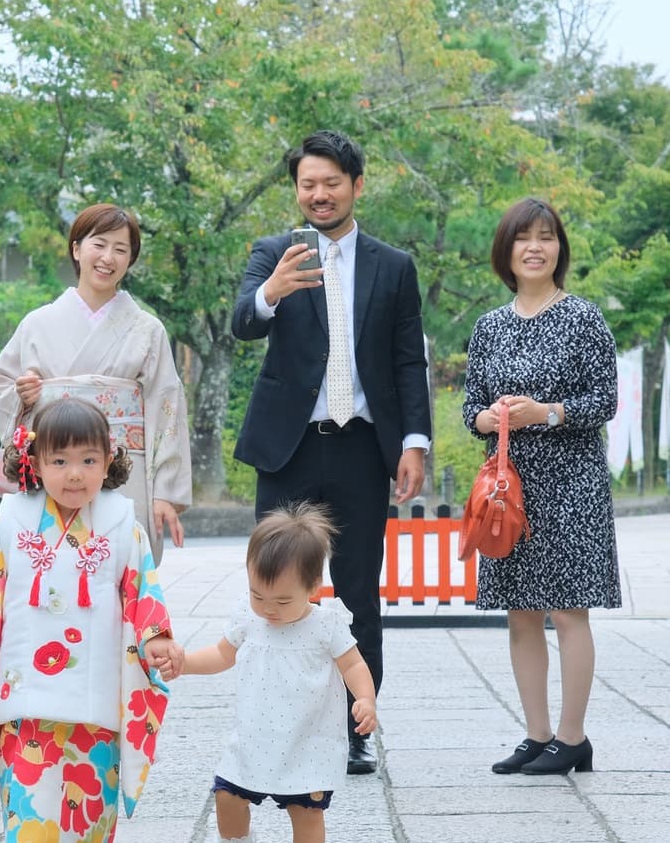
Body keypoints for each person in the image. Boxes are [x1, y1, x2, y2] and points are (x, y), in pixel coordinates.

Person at [230, 130, 431, 775]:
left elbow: (407, 361)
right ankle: (276, 720)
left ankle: (354, 729)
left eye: (331, 182)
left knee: (358, 592)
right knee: (276, 589)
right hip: (288, 450)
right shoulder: (274, 253)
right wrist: (272, 293)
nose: (318, 194)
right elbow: (242, 322)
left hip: (362, 449)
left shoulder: (393, 266)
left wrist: (414, 442)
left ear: (356, 186)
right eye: (307, 184)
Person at [0, 398, 182, 843]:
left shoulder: (122, 522)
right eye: (59, 461)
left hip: (96, 674)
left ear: (109, 462)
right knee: (30, 766)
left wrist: (156, 636)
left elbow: (141, 587)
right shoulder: (12, 519)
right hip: (24, 672)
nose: (75, 474)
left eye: (88, 460)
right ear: (33, 463)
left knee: (93, 768)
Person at [463, 197, 619, 776]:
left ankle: (573, 738)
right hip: (508, 490)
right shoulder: (489, 327)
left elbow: (603, 401)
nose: (535, 247)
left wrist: (544, 412)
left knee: (568, 609)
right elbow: (469, 409)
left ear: (559, 249)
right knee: (520, 613)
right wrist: (491, 417)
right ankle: (537, 734)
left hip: (571, 482)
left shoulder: (583, 317)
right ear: (505, 251)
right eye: (523, 237)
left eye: (546, 237)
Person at [172, 502, 376, 843]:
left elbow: (353, 663)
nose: (268, 608)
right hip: (254, 736)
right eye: (257, 595)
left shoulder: (326, 624)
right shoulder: (249, 619)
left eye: (282, 601)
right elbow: (222, 655)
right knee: (227, 796)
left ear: (314, 586)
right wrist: (185, 665)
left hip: (309, 738)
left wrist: (365, 698)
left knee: (307, 809)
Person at [0, 203, 191, 565]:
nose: (108, 258)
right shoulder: (37, 323)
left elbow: (168, 409)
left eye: (121, 249)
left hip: (123, 470)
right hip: (57, 466)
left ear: (130, 259)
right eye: (99, 244)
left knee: (120, 573)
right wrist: (23, 397)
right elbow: (2, 384)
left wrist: (166, 493)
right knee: (51, 573)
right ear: (76, 248)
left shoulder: (147, 329)